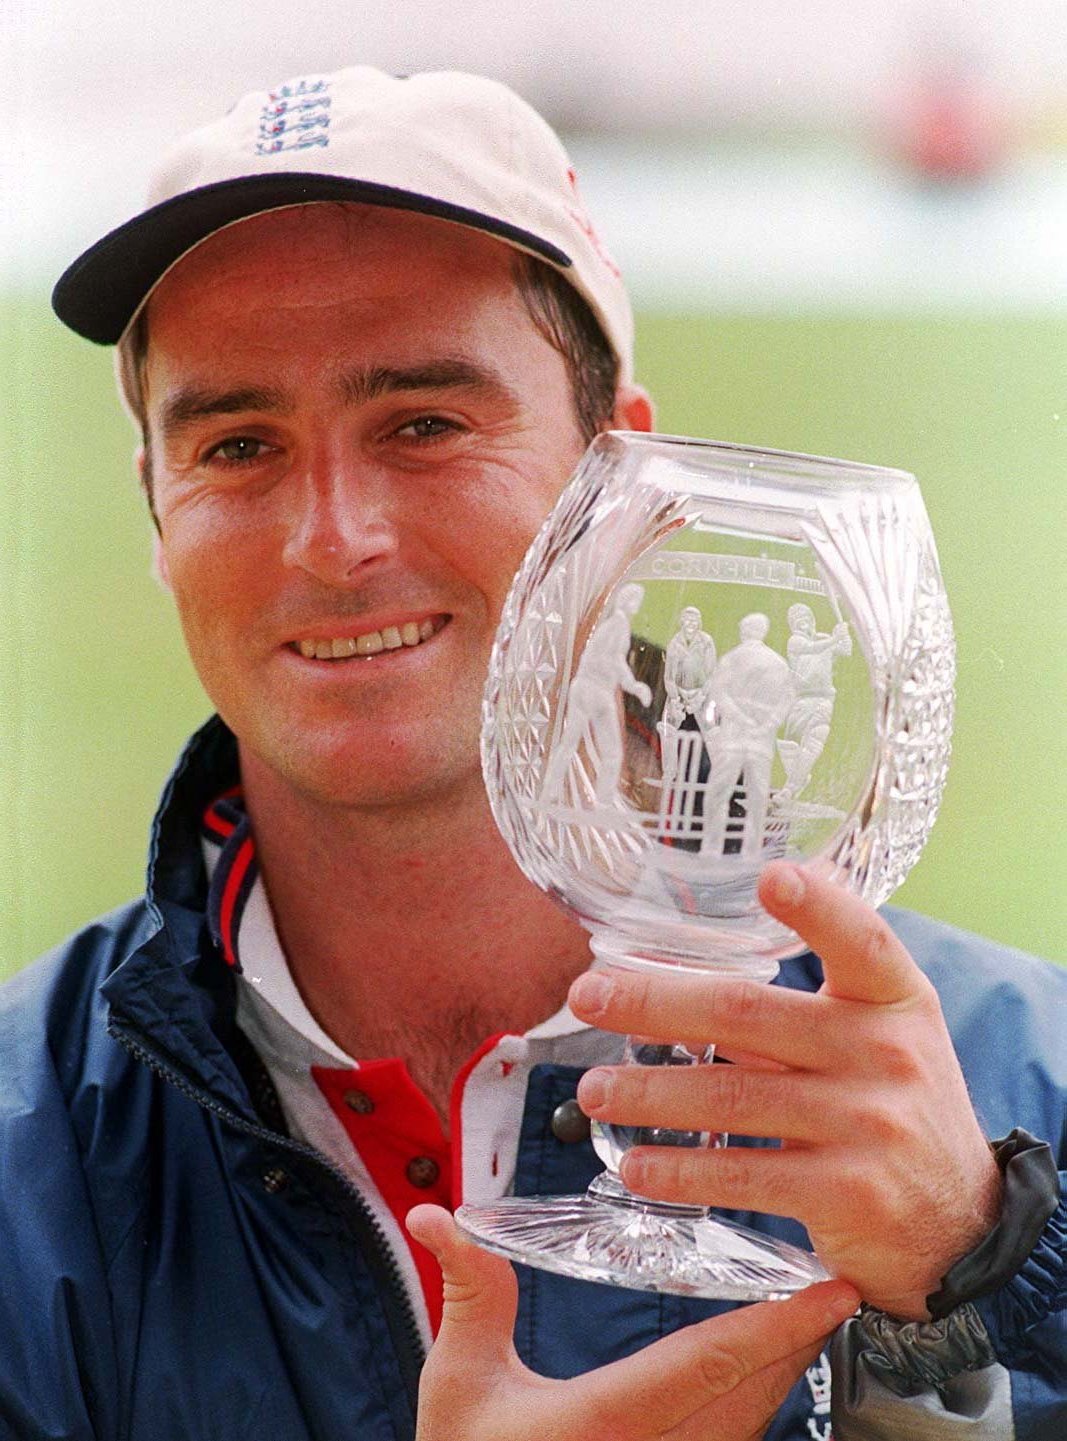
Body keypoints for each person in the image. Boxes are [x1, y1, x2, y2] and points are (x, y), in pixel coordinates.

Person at [2, 63, 1063, 1441]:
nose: (333, 539)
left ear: (623, 477)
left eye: (424, 424)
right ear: (157, 506)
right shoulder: (31, 1168)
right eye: (238, 444)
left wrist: (985, 1288)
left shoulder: (1021, 1088)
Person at [700, 612, 795, 860]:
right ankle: (751, 851)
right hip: (761, 740)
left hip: (733, 736)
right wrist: (768, 724)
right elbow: (787, 699)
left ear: (744, 631)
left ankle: (711, 848)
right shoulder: (778, 663)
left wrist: (742, 718)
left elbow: (718, 693)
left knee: (719, 792)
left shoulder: (732, 659)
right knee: (758, 798)